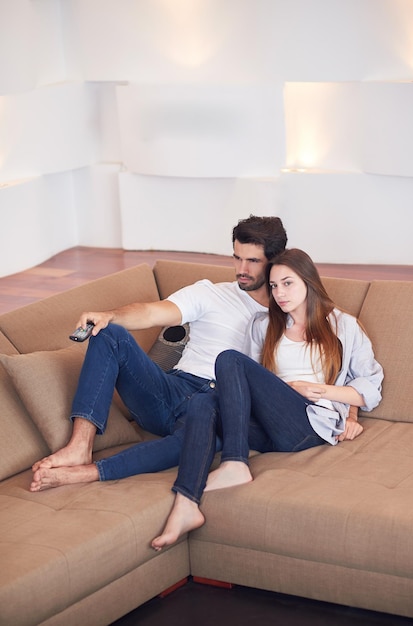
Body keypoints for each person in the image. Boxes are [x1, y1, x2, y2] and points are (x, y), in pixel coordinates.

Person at [30, 215, 287, 492]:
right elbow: (152, 311)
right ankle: (80, 446)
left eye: (253, 261)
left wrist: (344, 414)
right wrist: (111, 315)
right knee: (109, 333)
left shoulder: (290, 313)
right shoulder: (211, 294)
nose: (241, 269)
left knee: (202, 439)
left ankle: (91, 473)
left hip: (220, 407)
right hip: (171, 389)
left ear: (275, 260)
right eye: (237, 258)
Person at [152, 248, 383, 550]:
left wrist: (318, 392)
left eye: (288, 283)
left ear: (308, 280)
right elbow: (247, 383)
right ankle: (186, 504)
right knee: (202, 402)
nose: (280, 293)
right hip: (270, 424)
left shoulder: (342, 326)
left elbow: (370, 385)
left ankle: (235, 462)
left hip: (308, 423)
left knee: (229, 359)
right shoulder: (264, 325)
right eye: (274, 286)